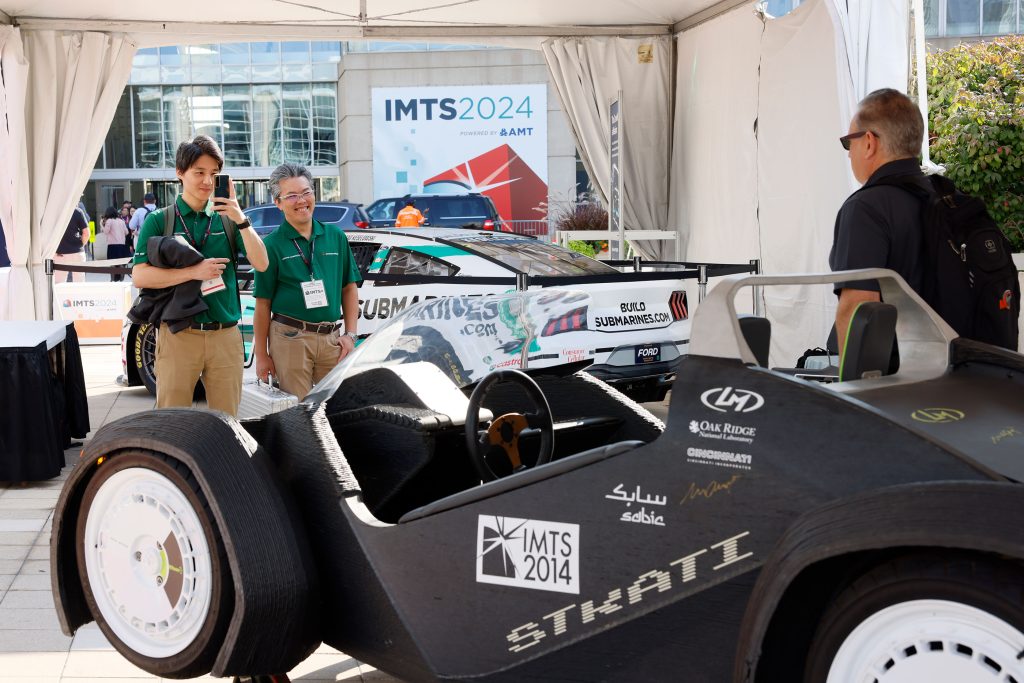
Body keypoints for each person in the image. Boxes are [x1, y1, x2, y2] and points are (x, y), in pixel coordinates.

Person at [132, 134, 269, 415]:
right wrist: (193, 272)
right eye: (199, 173)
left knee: (227, 423)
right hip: (178, 334)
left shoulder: (229, 220)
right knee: (172, 420)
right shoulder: (160, 220)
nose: (208, 181)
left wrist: (240, 218)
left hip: (225, 335)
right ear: (180, 174)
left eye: (214, 174)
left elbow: (262, 263)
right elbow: (140, 276)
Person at [829, 88, 926, 356]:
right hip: (970, 377)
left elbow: (858, 312)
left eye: (850, 143)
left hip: (899, 384)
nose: (849, 154)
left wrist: (850, 394)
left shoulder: (865, 208)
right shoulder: (950, 199)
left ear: (869, 142)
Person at [253, 164, 362, 400]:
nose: (301, 200)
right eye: (291, 195)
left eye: (306, 192)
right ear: (278, 202)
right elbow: (263, 305)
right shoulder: (270, 245)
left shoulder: (335, 236)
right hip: (290, 338)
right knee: (297, 413)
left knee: (334, 408)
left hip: (332, 338)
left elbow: (349, 287)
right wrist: (262, 355)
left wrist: (351, 335)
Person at [53, 206, 91, 284]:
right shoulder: (77, 211)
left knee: (59, 284)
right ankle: (75, 296)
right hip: (76, 252)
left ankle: (64, 296)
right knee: (79, 283)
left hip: (59, 253)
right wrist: (80, 246)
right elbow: (86, 233)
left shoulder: (54, 211)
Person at [100, 206, 131, 281]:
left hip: (112, 245)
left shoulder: (109, 221)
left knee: (112, 263)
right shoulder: (121, 221)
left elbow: (106, 232)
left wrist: (101, 224)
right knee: (120, 262)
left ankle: (113, 279)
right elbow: (126, 232)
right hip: (122, 245)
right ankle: (121, 277)